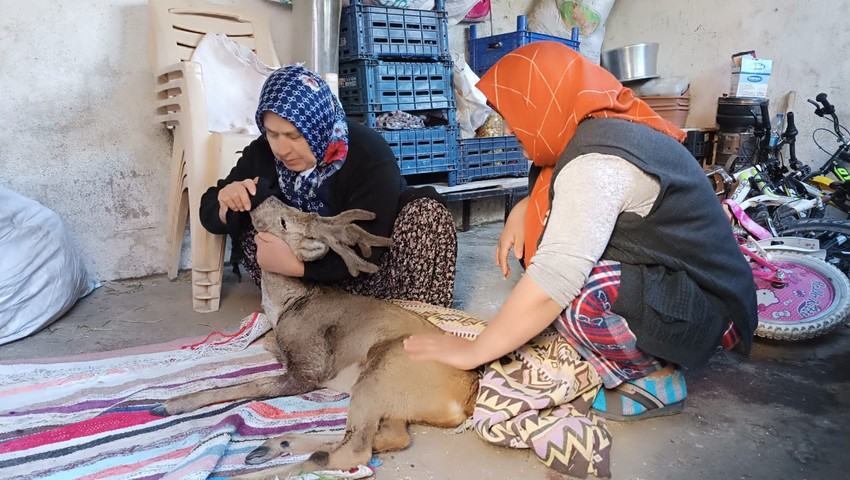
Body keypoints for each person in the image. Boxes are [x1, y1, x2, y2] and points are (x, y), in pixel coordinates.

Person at [404, 41, 758, 421]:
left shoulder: (597, 162)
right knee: (556, 264)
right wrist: (524, 208)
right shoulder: (599, 128)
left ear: (539, 102)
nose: (508, 128)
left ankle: (653, 380)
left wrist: (474, 352)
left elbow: (552, 281)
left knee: (576, 293)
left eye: (512, 113)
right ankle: (635, 347)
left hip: (714, 314)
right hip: (686, 286)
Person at [199, 65, 457, 308]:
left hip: (376, 276)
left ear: (317, 126)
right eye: (272, 133)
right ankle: (312, 313)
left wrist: (296, 267)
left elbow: (369, 248)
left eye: (294, 135)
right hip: (305, 289)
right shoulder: (263, 153)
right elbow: (209, 212)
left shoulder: (368, 152)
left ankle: (415, 317)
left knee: (427, 215)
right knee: (252, 214)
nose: (281, 148)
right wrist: (226, 201)